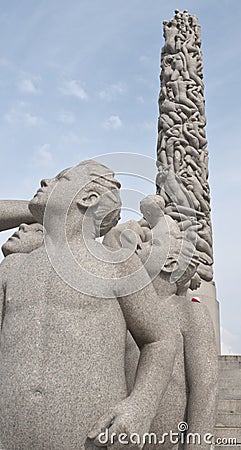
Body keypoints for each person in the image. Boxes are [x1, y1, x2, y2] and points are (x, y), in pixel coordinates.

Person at [0, 161, 178, 450]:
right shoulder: (11, 268)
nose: (45, 180)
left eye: (60, 178)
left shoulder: (116, 263)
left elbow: (160, 338)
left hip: (89, 434)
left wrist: (141, 404)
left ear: (88, 198)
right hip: (10, 433)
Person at [104, 194, 218, 450]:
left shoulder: (189, 313)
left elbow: (205, 390)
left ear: (169, 262)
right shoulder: (123, 311)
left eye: (146, 243)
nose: (134, 247)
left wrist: (197, 445)